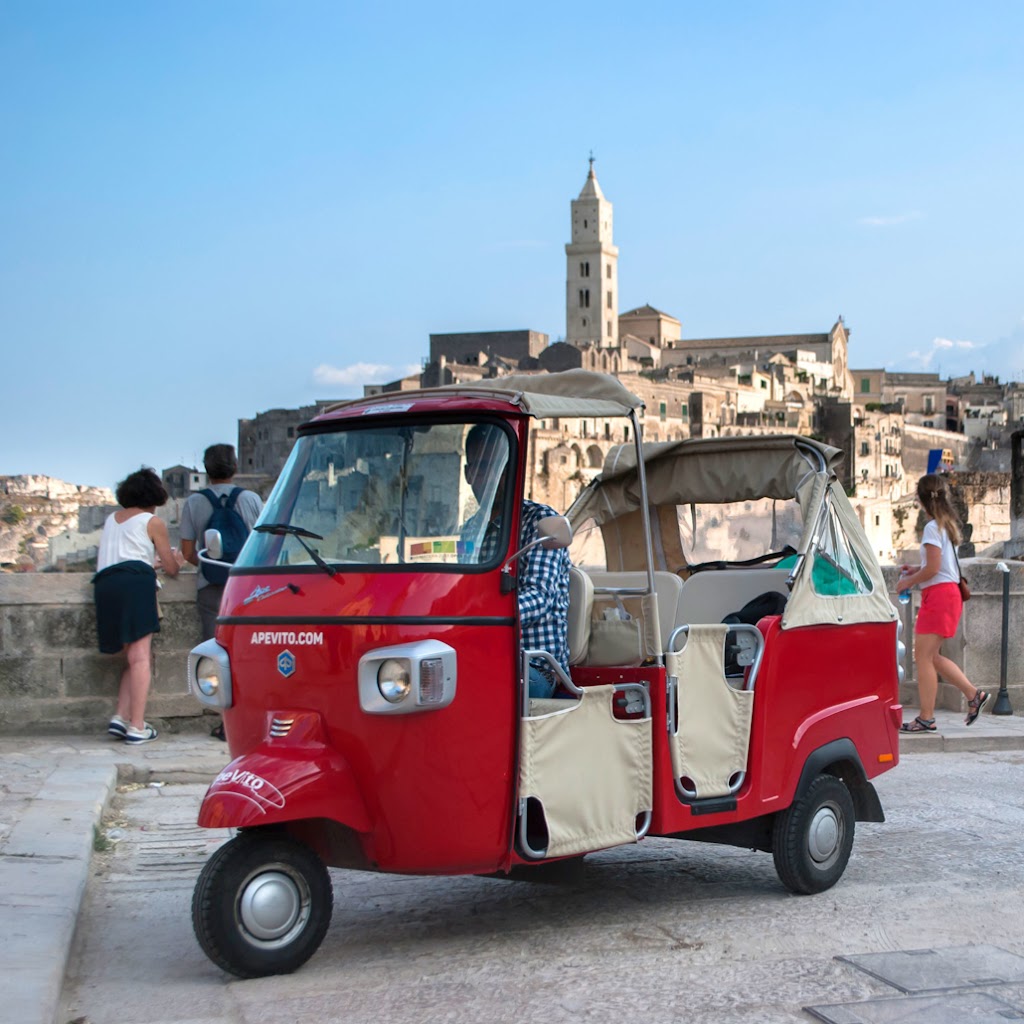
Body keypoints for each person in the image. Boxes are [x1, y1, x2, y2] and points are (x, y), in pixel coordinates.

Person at [461, 424, 570, 699]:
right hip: (481, 653)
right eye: (481, 468)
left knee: (479, 681)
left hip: (534, 665)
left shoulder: (541, 522)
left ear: (510, 472)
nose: (490, 477)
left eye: (497, 467)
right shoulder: (470, 529)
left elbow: (539, 595)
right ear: (467, 474)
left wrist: (481, 615)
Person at [93, 468, 184, 744]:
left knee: (132, 657)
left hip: (106, 585)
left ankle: (120, 717)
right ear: (153, 496)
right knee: (142, 657)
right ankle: (137, 726)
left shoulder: (112, 520)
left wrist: (148, 563)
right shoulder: (152, 521)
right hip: (135, 585)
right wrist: (177, 561)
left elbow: (123, 557)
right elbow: (171, 568)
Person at [180, 444, 263, 738]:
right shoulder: (251, 500)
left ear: (206, 469)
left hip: (211, 587)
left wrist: (211, 565)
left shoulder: (194, 503)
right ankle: (250, 718)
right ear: (235, 467)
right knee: (250, 653)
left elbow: (187, 552)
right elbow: (264, 544)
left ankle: (225, 723)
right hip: (248, 589)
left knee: (215, 655)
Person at [896, 473, 988, 732]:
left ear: (921, 499)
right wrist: (917, 568)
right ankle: (973, 695)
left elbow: (934, 569)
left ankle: (926, 717)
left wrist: (908, 581)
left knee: (923, 657)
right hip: (947, 595)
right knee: (931, 656)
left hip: (939, 596)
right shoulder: (945, 525)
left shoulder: (931, 528)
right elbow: (941, 566)